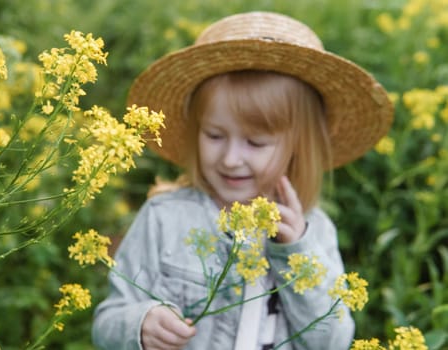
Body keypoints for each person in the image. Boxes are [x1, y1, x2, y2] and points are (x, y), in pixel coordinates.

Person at [92, 11, 393, 350]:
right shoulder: (164, 217)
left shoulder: (315, 232)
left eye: (256, 143)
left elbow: (331, 341)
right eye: (215, 135)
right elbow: (108, 322)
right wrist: (140, 324)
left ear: (298, 147)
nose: (231, 159)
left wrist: (295, 251)